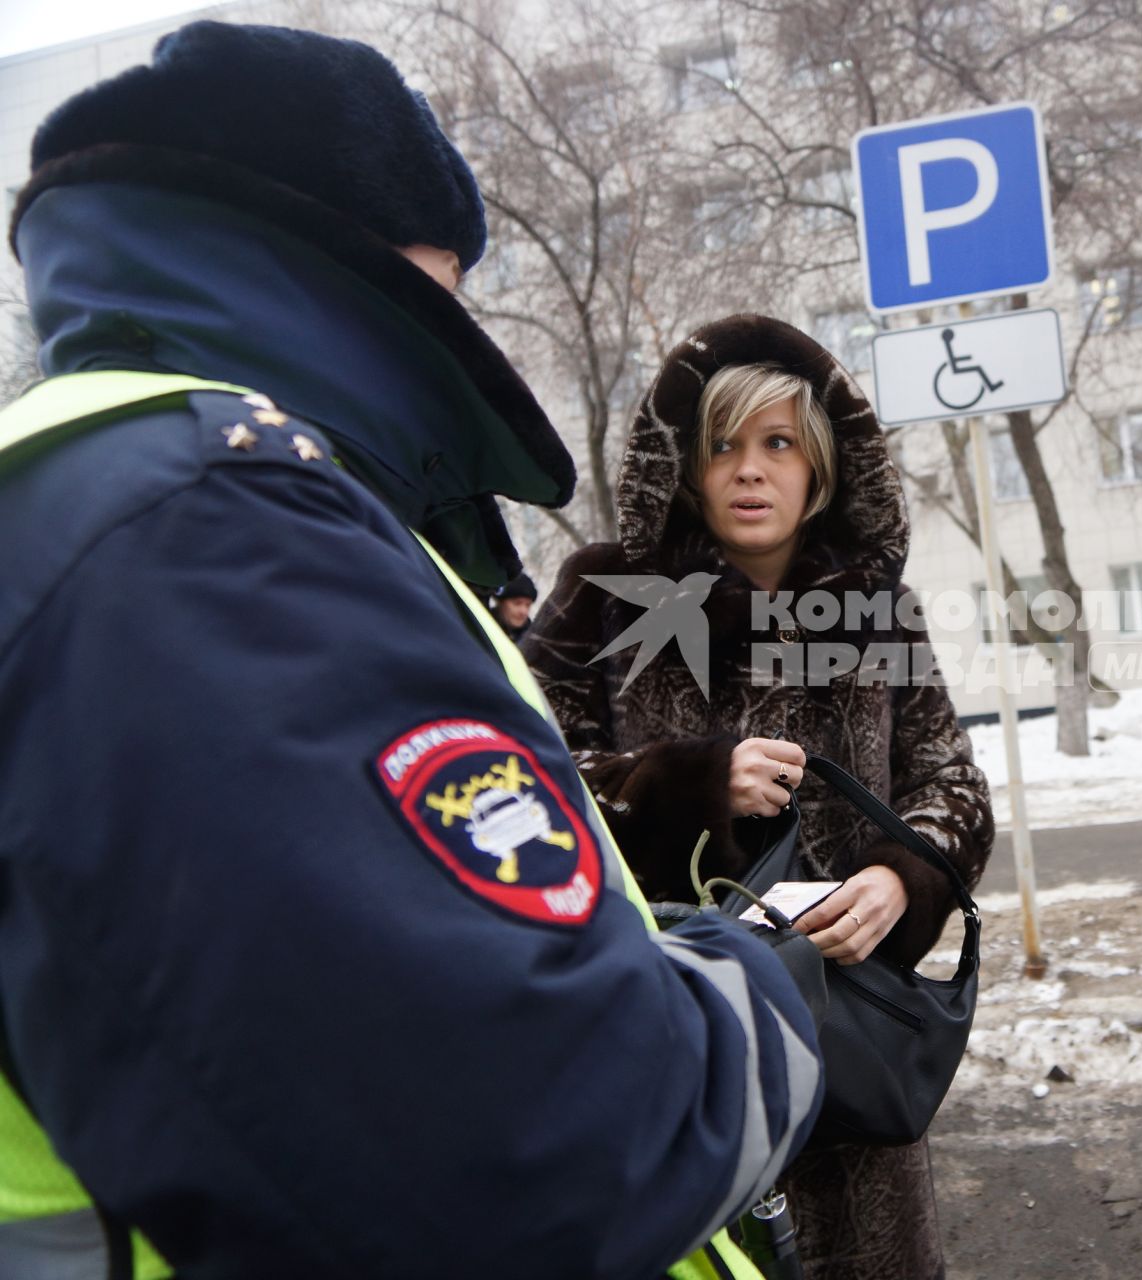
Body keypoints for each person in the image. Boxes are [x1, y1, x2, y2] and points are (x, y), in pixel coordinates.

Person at [0, 23, 821, 1279]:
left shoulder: (158, 490)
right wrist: (764, 994)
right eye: (448, 279)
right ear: (362, 253)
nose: (461, 324)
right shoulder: (207, 523)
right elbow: (541, 1138)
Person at [524, 315, 995, 1279]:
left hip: (848, 1046)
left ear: (819, 469)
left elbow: (951, 782)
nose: (750, 469)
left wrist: (902, 881)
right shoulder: (602, 596)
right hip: (670, 1046)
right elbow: (528, 788)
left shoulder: (872, 611)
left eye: (778, 443)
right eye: (724, 446)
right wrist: (691, 783)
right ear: (688, 469)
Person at [491, 571, 538, 640]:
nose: (523, 611)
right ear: (500, 602)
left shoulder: (534, 640)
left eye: (528, 605)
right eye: (517, 603)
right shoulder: (480, 624)